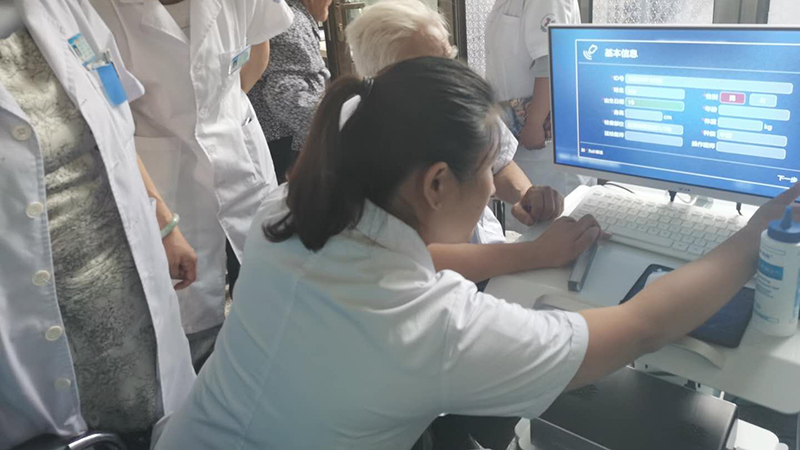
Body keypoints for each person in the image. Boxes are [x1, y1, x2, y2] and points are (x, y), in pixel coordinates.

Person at [153, 57, 798, 450]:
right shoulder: (434, 329)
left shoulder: (288, 212)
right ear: (436, 183)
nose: (495, 186)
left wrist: (527, 256)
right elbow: (643, 326)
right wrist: (760, 231)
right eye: (490, 168)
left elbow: (403, 262)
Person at [0, 1, 196, 448]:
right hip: (30, 317)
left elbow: (114, 128)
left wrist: (165, 224)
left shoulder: (62, 8)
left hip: (127, 285)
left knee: (160, 420)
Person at [90, 0, 294, 369]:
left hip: (240, 157)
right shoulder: (96, 9)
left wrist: (219, 112)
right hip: (164, 175)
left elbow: (258, 47)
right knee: (192, 324)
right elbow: (106, 115)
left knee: (266, 294)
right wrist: (162, 222)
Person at [346, 0, 592, 285]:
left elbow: (499, 164)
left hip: (493, 259)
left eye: (448, 57)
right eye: (433, 66)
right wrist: (536, 253)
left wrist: (527, 196)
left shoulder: (457, 101)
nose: (451, 74)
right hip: (449, 282)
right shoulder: (364, 135)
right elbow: (423, 259)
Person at [485, 0, 591, 198]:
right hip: (515, 128)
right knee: (526, 205)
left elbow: (551, 61)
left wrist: (534, 123)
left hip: (541, 135)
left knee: (551, 204)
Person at [249, 0, 332, 183]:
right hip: (285, 145)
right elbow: (283, 96)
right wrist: (333, 126)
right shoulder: (291, 23)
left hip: (281, 140)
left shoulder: (294, 18)